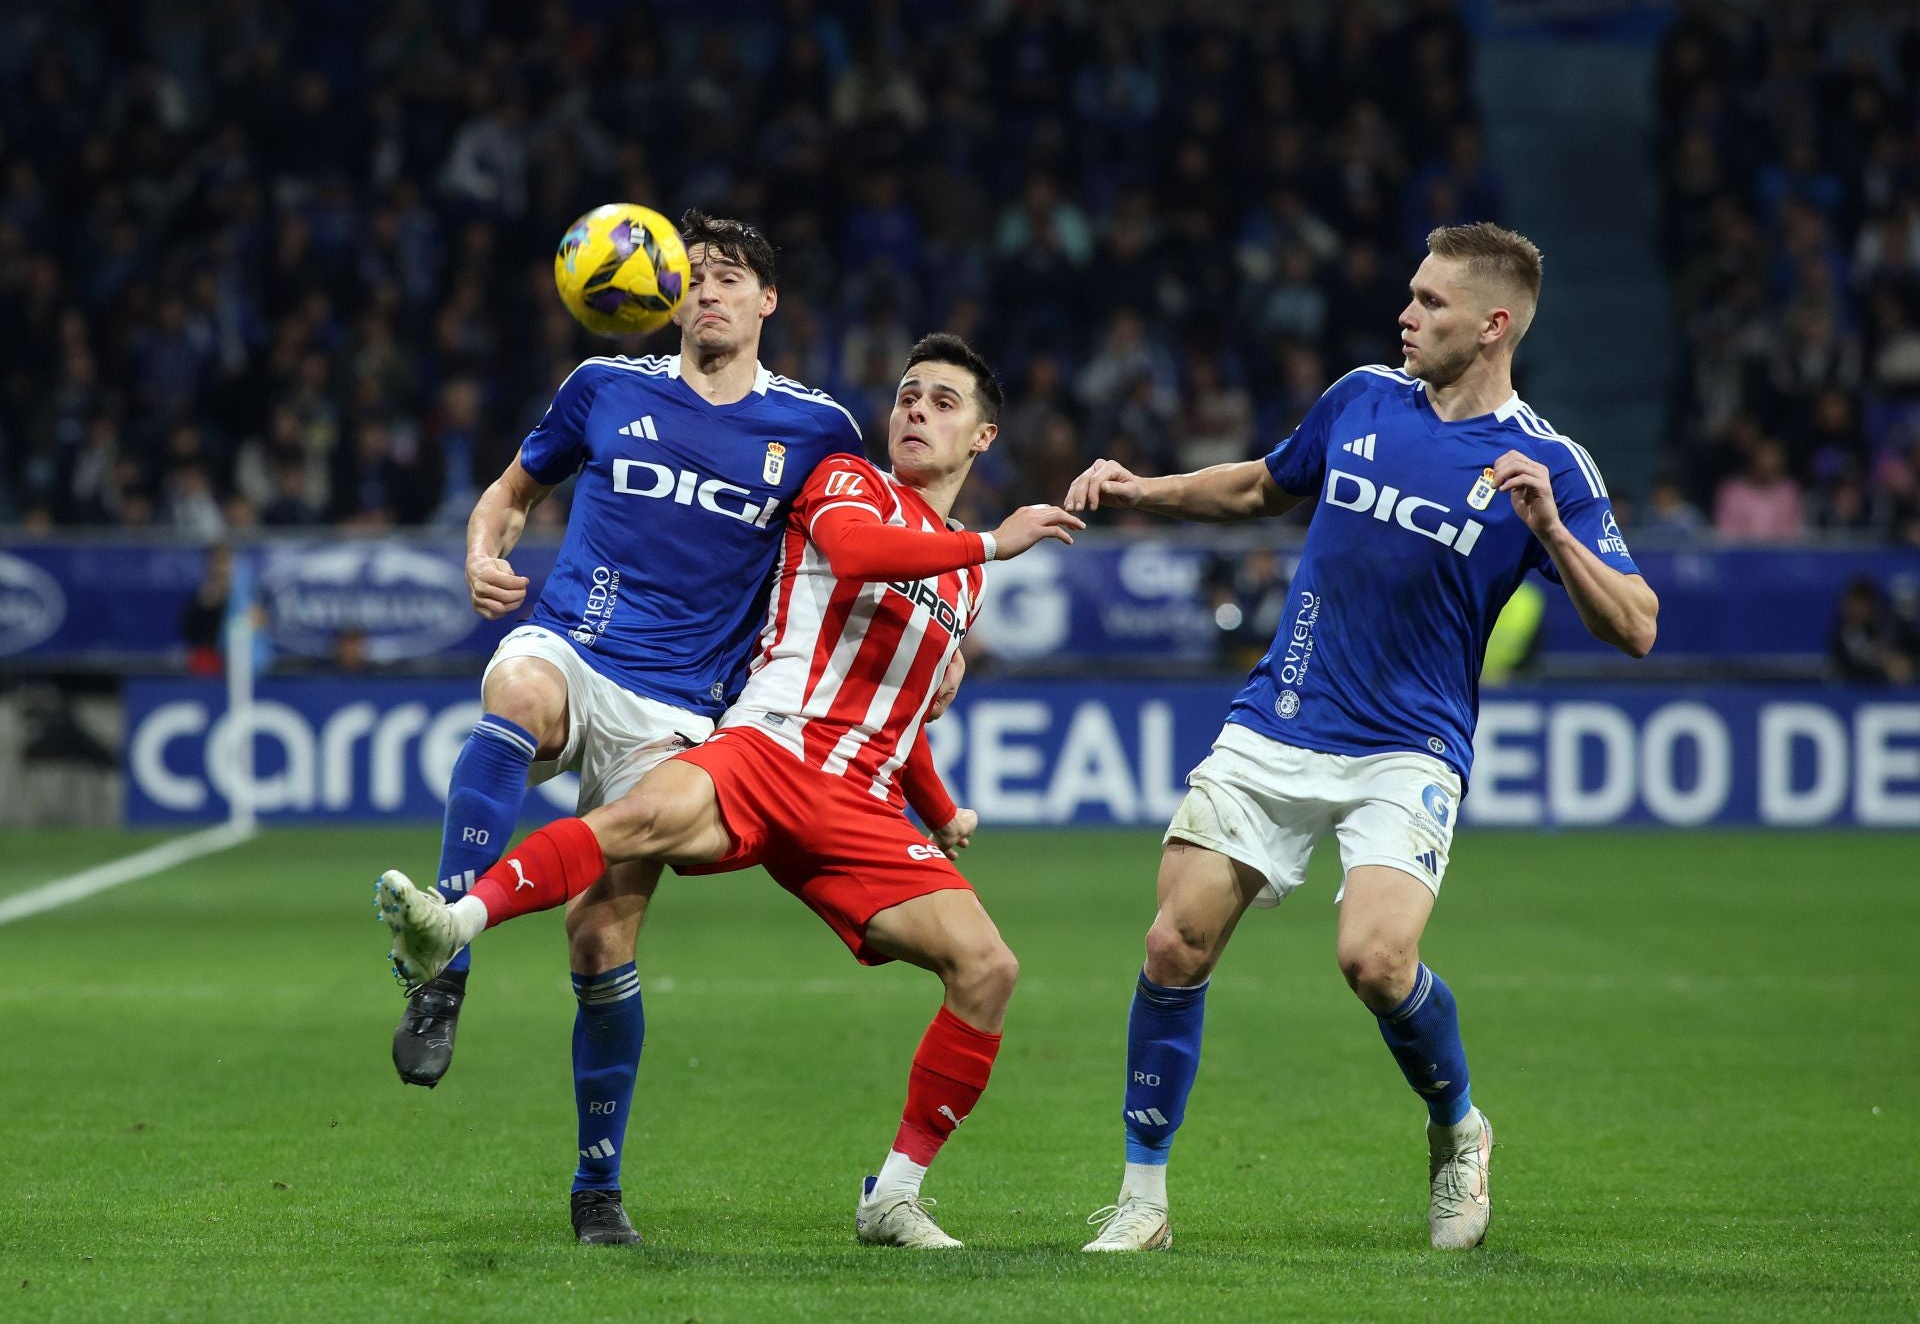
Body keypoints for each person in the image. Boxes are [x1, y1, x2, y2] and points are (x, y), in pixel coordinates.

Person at [391, 214, 1052, 1246]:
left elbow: (883, 665)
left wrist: (936, 790)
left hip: (683, 705)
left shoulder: (816, 427)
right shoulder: (607, 386)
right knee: (515, 696)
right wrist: (482, 551)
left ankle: (599, 1186)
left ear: (766, 303)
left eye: (730, 277)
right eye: (693, 276)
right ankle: (447, 954)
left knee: (603, 935)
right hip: (596, 650)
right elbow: (512, 495)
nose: (708, 291)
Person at [1064, 223, 1659, 1253]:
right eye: (1412, 295)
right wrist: (1141, 490)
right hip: (1285, 712)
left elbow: (1639, 624)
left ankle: (1459, 1126)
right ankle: (1143, 1200)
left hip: (1410, 745)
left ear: (1493, 324)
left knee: (1378, 959)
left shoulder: (1550, 462)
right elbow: (1261, 484)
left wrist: (1553, 530)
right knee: (1174, 941)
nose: (1407, 313)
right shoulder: (1361, 398)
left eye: (1430, 302)